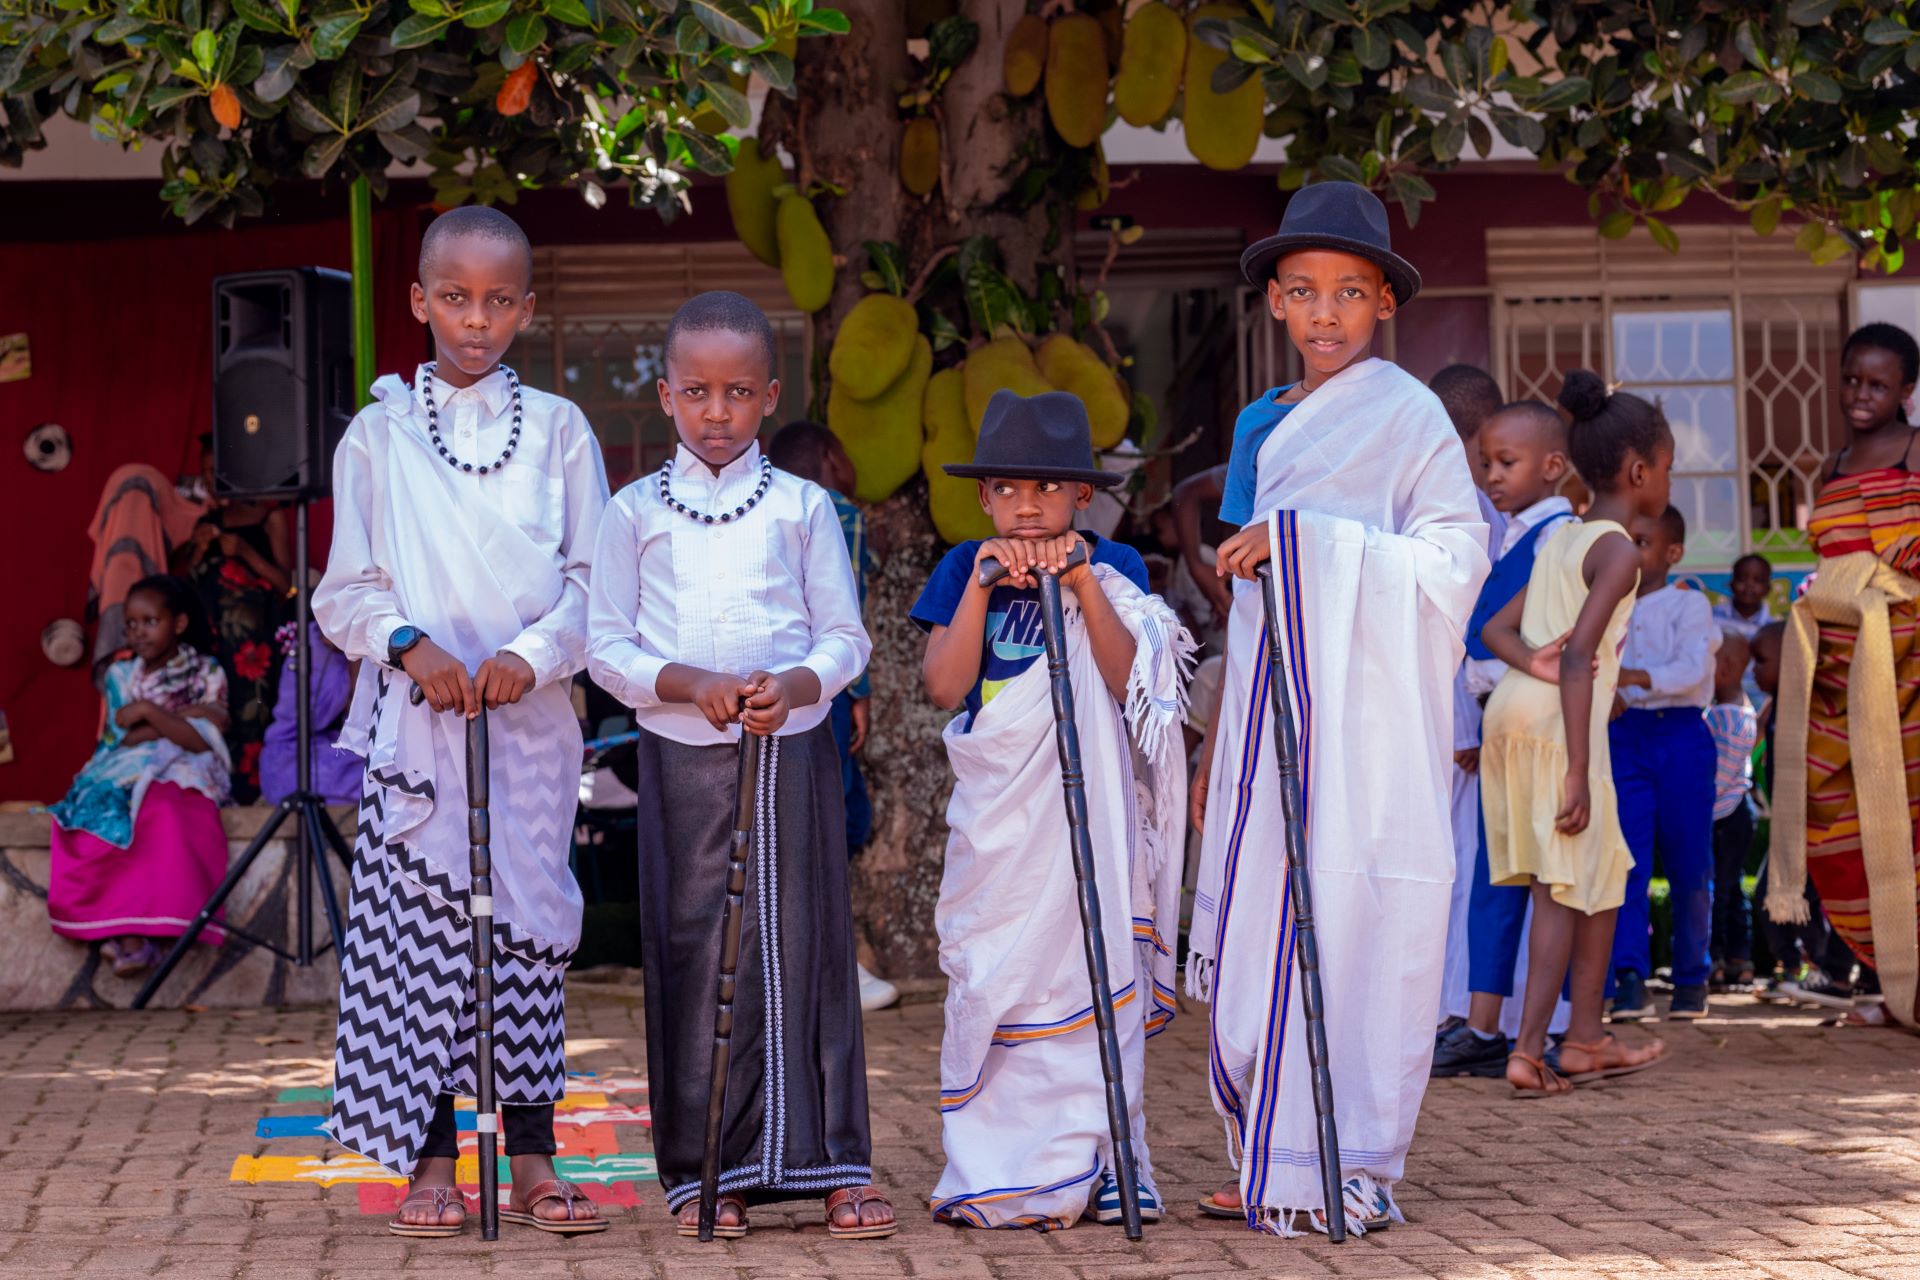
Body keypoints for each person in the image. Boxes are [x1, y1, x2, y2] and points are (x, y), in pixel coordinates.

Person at [1185, 182, 1489, 1235]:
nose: (1326, 314)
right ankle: (1269, 1146)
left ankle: (1354, 1155)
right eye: (1305, 291)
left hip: (1372, 726)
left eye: (1349, 292)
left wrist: (1316, 545)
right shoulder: (1262, 427)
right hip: (1277, 707)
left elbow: (1457, 554)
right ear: (1274, 301)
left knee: (1366, 910)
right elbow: (1247, 582)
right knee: (1273, 915)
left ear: (1384, 306)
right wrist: (1219, 743)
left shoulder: (1408, 416)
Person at [314, 205, 612, 1237]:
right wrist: (412, 645)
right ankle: (432, 1153)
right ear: (418, 300)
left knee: (527, 939)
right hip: (421, 729)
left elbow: (591, 585)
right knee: (428, 942)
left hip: (528, 730)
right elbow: (343, 589)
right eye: (455, 297)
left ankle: (532, 1152)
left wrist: (527, 658)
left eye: (496, 301)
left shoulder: (564, 431)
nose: (474, 320)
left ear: (526, 309)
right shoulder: (380, 435)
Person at [586, 290, 895, 1239]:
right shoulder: (633, 512)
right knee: (691, 952)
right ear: (668, 397)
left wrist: (798, 687)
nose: (715, 413)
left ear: (768, 395)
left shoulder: (805, 507)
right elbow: (606, 647)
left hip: (792, 753)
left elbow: (846, 638)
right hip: (683, 760)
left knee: (803, 944)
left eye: (735, 394)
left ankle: (835, 1164)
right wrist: (686, 684)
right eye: (695, 393)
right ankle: (704, 1171)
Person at [912, 391, 1190, 1230]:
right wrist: (986, 588)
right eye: (1006, 488)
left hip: (1092, 825)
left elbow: (1126, 681)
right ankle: (995, 1165)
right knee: (997, 976)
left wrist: (1081, 587)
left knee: (1097, 974)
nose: (1026, 505)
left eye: (1046, 487)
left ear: (1082, 497)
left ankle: (1115, 1157)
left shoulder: (1118, 570)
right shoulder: (965, 569)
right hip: (1002, 824)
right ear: (984, 498)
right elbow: (943, 685)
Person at [1480, 370, 1673, 1096]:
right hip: (1558, 730)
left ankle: (1586, 1037)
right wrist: (1578, 769)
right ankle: (1529, 1052)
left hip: (1515, 712)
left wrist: (1531, 658)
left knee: (1600, 873)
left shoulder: (1565, 537)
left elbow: (1499, 627)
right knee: (1561, 887)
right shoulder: (1619, 550)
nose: (1667, 479)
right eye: (1668, 467)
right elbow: (1584, 660)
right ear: (1638, 470)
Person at [1768, 320, 1920, 1029]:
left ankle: (1908, 991)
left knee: (1912, 823)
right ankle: (1894, 972)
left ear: (1907, 393)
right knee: (1831, 818)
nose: (1862, 395)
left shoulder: (1918, 451)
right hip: (1839, 661)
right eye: (1853, 379)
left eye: (1879, 384)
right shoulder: (1832, 466)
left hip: (1911, 661)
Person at [1431, 401, 1578, 1078]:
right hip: (1504, 722)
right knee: (1500, 874)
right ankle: (1485, 1024)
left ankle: (1547, 1027)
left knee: (1552, 874)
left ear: (1554, 466)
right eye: (1486, 461)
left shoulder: (1562, 539)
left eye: (1507, 463)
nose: (1492, 475)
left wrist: (1488, 670)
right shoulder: (1515, 532)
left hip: (1545, 719)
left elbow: (1550, 637)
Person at [764, 420, 898, 1013]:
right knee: (833, 814)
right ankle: (832, 963)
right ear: (827, 456)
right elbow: (848, 616)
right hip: (821, 685)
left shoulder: (757, 506)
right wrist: (859, 691)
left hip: (760, 686)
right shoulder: (837, 511)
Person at [49, 574, 231, 979]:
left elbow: (206, 742)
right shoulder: (120, 675)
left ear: (178, 624)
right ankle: (127, 932)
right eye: (131, 623)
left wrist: (150, 714)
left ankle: (160, 925)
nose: (138, 632)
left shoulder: (205, 671)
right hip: (123, 763)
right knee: (102, 812)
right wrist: (185, 718)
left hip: (187, 765)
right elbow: (124, 738)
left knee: (164, 810)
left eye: (150, 622)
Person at [1608, 505, 1721, 1021]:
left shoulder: (1689, 604)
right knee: (1626, 860)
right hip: (1625, 736)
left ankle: (1692, 977)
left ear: (1673, 553)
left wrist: (1628, 679)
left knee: (1690, 863)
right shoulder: (1610, 604)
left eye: (1643, 542)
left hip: (1680, 735)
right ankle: (1630, 976)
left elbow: (1692, 668)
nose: (1631, 551)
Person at [1427, 363, 1506, 1033]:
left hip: (1445, 714)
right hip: (1455, 720)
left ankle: (1452, 1006)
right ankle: (1450, 1007)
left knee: (1452, 863)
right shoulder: (1468, 509)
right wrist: (1465, 725)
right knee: (1458, 864)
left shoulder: (1452, 502)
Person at [173, 436, 295, 802]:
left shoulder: (268, 515)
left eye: (218, 471)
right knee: (218, 718)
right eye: (206, 472)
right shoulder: (207, 523)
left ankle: (255, 797)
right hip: (213, 650)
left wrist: (244, 552)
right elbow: (179, 588)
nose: (211, 479)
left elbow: (288, 585)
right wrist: (197, 548)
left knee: (254, 717)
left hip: (255, 651)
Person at [258, 621, 365, 806]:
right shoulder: (312, 642)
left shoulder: (375, 636)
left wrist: (358, 650)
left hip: (348, 752)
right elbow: (296, 718)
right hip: (292, 759)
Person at [1705, 631, 1757, 989]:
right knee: (1733, 887)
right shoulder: (1744, 706)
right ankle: (1742, 958)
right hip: (1739, 811)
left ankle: (1717, 961)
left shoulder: (1723, 717)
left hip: (1723, 812)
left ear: (1723, 668)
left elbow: (1719, 775)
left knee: (1718, 891)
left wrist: (1697, 809)